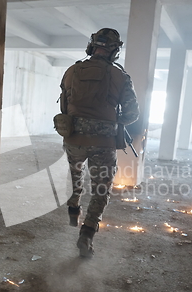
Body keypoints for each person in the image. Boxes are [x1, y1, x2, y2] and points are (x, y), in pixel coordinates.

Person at [58, 28, 139, 257]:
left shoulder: (72, 70)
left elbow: (64, 106)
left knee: (75, 173)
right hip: (103, 142)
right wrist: (113, 120)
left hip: (73, 137)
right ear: (115, 50)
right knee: (101, 189)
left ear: (92, 45)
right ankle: (87, 234)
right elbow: (132, 114)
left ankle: (74, 207)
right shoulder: (120, 76)